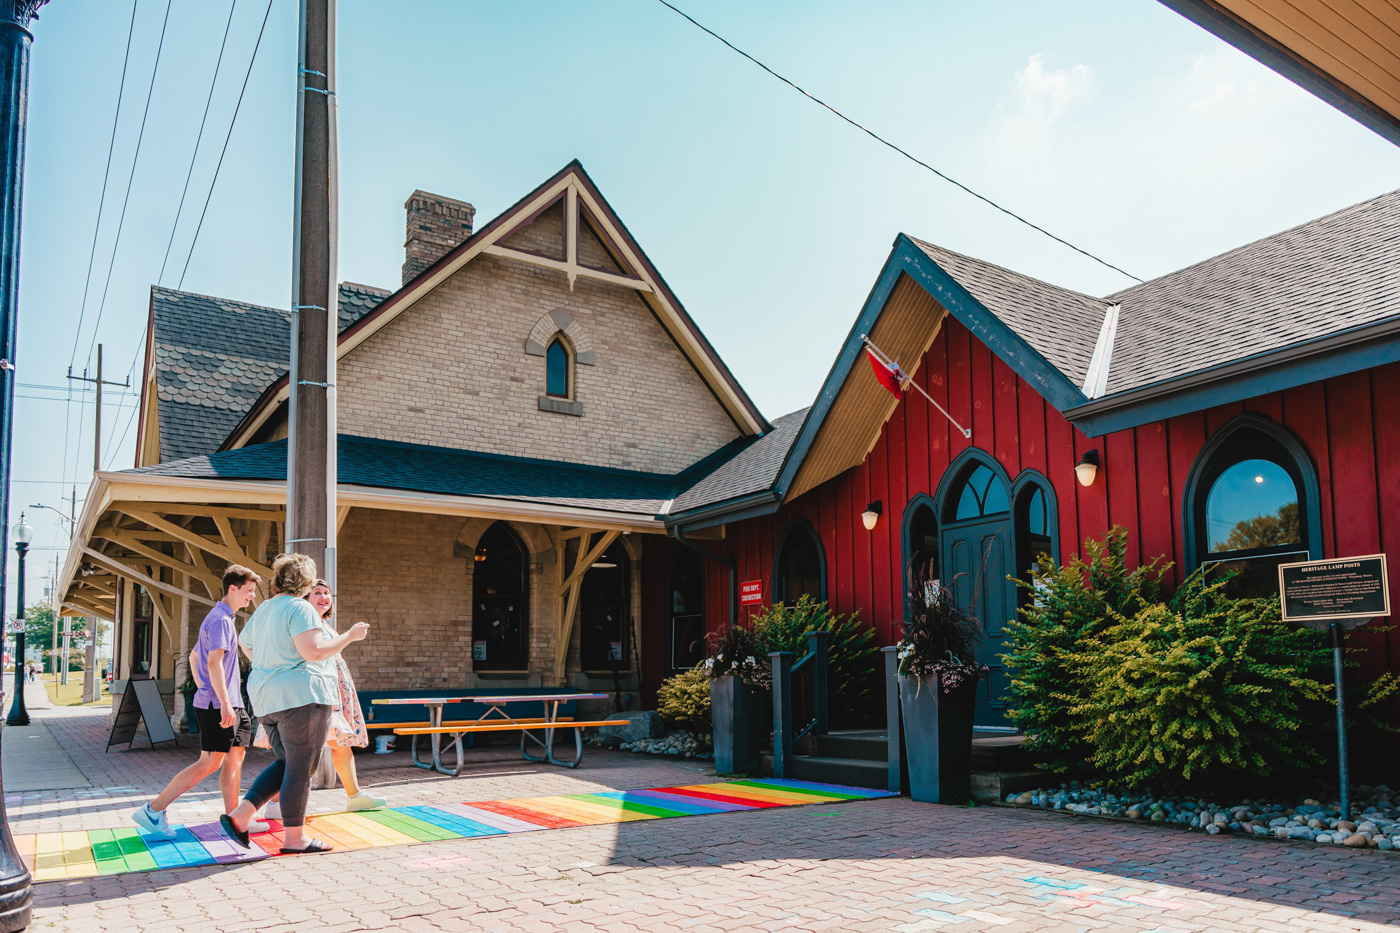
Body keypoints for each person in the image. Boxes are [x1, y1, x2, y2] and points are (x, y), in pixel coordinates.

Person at [220, 553, 368, 854]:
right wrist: (349, 637)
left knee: (286, 764)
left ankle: (241, 816)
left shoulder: (265, 609)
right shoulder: (300, 608)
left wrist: (271, 663)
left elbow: (245, 643)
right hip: (302, 696)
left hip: (266, 698)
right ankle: (294, 839)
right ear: (306, 581)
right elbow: (313, 652)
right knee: (301, 769)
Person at [133, 566, 266, 840]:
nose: (251, 597)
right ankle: (153, 811)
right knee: (209, 762)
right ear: (232, 588)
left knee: (235, 759)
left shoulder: (221, 618)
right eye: (248, 591)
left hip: (229, 702)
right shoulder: (220, 621)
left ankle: (235, 819)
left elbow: (195, 658)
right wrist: (221, 701)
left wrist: (210, 690)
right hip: (222, 705)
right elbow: (212, 662)